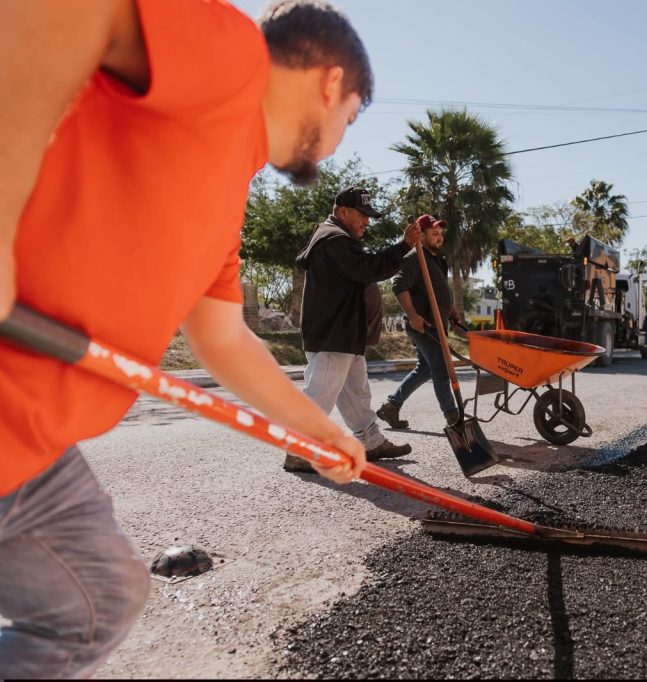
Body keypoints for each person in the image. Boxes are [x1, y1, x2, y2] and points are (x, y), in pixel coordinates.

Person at [0, 1, 374, 676]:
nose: (341, 136)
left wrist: (319, 430)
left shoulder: (227, 188)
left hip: (29, 450)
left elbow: (223, 338)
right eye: (352, 117)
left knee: (98, 603)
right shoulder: (232, 61)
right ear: (331, 83)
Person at [285, 187, 417, 472]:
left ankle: (370, 441)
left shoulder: (335, 238)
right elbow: (366, 269)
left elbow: (360, 272)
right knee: (321, 391)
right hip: (334, 332)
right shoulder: (334, 239)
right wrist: (403, 245)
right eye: (362, 215)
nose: (367, 222)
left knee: (356, 391)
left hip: (344, 332)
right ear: (342, 212)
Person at [377, 215, 462, 430]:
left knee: (425, 368)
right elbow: (398, 285)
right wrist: (414, 316)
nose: (439, 237)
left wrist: (450, 310)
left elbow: (435, 290)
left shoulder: (436, 259)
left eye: (440, 233)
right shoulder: (415, 258)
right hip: (423, 326)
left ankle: (391, 406)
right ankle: (453, 417)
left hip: (438, 325)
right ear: (421, 235)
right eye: (434, 233)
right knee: (440, 367)